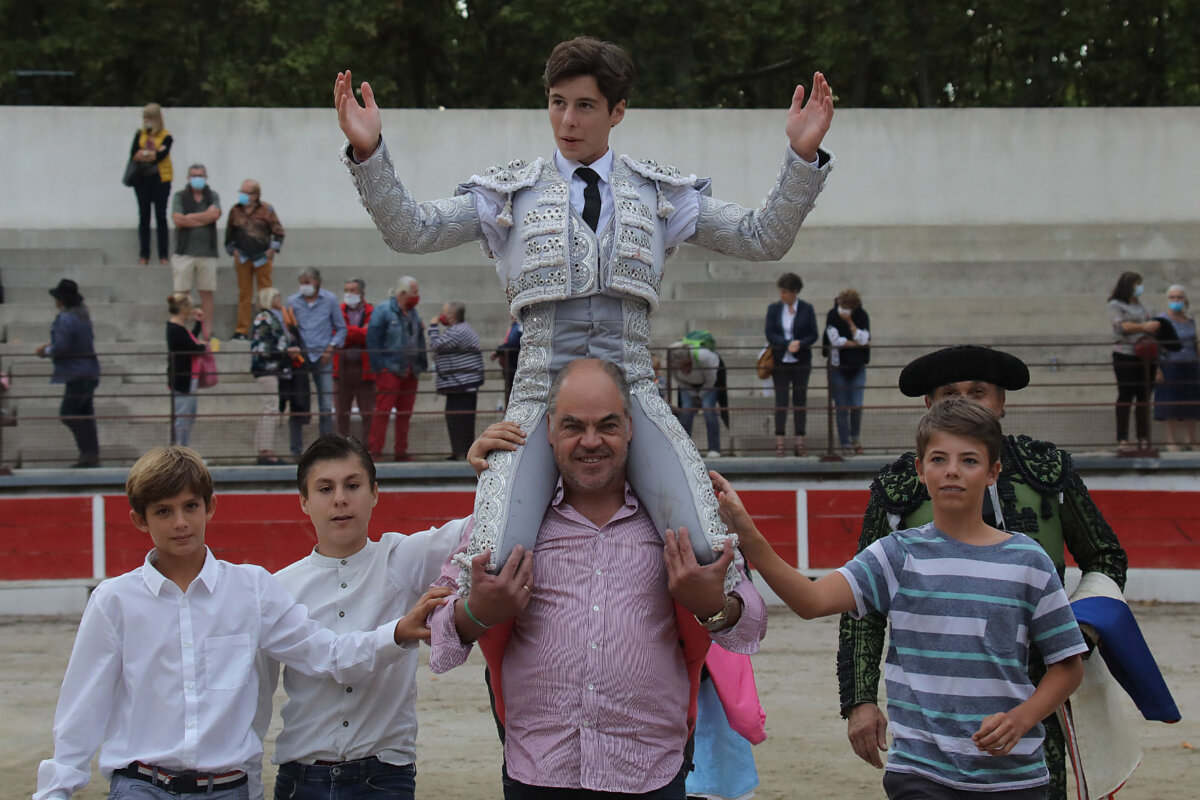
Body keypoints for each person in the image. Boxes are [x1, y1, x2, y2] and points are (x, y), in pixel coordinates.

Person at [336, 35, 834, 582]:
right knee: (493, 560)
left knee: (706, 549)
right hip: (538, 397)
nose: (568, 120)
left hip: (633, 392)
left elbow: (762, 237)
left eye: (585, 106)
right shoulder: (509, 192)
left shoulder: (658, 192)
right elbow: (410, 230)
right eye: (557, 103)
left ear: (617, 111)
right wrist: (369, 152)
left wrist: (802, 158)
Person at [428, 358, 768, 799]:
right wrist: (476, 612)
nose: (591, 441)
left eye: (607, 425)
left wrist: (714, 606)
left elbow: (751, 627)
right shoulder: (512, 521)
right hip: (539, 767)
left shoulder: (674, 518)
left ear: (630, 427)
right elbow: (440, 640)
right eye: (573, 426)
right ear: (550, 430)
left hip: (649, 768)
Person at [32, 445, 452, 800]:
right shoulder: (114, 601)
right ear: (140, 519)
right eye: (163, 511)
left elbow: (327, 654)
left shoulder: (253, 589)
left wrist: (396, 632)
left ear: (210, 507)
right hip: (142, 785)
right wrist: (55, 792)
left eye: (190, 506)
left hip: (227, 787)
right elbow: (81, 708)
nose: (180, 523)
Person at [716, 397, 1087, 798]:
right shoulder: (896, 554)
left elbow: (1068, 666)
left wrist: (1022, 718)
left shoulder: (1029, 561)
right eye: (939, 459)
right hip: (920, 772)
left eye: (969, 460)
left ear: (993, 472)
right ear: (920, 470)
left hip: (1012, 778)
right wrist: (748, 533)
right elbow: (811, 601)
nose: (952, 471)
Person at [836, 345, 1129, 800]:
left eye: (979, 392)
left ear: (1001, 401)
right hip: (935, 696)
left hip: (1037, 686)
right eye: (950, 393)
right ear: (929, 405)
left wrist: (1078, 633)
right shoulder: (900, 485)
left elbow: (1106, 557)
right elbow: (862, 605)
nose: (966, 402)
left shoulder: (1047, 470)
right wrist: (860, 699)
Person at [254, 435, 460, 800]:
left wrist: (485, 467)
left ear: (375, 493)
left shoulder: (403, 558)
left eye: (352, 486)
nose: (340, 499)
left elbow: (480, 529)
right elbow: (257, 698)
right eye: (325, 489)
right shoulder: (278, 588)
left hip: (384, 775)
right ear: (304, 501)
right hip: (302, 776)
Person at [37, 279, 101, 467]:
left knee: (69, 413)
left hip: (76, 372)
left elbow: (61, 347)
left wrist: (45, 351)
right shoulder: (83, 316)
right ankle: (90, 454)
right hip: (89, 370)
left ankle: (88, 454)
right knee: (85, 414)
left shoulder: (66, 318)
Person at [365, 276, 426, 461]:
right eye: (414, 292)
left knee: (405, 413)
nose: (417, 296)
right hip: (390, 369)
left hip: (410, 369)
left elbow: (418, 338)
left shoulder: (413, 313)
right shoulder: (383, 311)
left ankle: (401, 451)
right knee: (383, 411)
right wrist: (380, 367)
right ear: (403, 293)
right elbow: (372, 340)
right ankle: (375, 451)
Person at [287, 268, 347, 441]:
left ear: (317, 281)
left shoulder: (330, 299)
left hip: (323, 357)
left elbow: (341, 328)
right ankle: (296, 447)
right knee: (298, 401)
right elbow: (288, 328)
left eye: (308, 282)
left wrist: (331, 347)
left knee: (326, 403)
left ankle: (325, 444)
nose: (305, 285)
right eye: (302, 282)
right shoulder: (292, 301)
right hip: (301, 358)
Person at [765, 272, 818, 457]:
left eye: (785, 292)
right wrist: (786, 343)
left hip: (801, 361)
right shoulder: (774, 309)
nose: (782, 295)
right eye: (781, 291)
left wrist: (799, 343)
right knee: (781, 401)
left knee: (799, 401)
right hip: (780, 361)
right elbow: (770, 333)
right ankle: (780, 443)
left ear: (794, 291)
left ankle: (799, 442)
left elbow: (813, 334)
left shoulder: (806, 309)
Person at [226, 179, 285, 341]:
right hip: (243, 258)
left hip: (262, 258)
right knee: (244, 295)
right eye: (241, 192)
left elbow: (279, 232)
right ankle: (242, 330)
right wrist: (233, 251)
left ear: (255, 195)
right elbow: (229, 236)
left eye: (245, 192)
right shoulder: (235, 210)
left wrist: (272, 250)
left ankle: (266, 328)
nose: (242, 195)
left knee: (266, 294)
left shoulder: (267, 210)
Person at [1108, 271, 1159, 453]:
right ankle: (1122, 438)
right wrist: (1144, 326)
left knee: (1144, 398)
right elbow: (1121, 326)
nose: (1140, 288)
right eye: (1137, 284)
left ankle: (1143, 437)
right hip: (1126, 355)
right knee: (1126, 395)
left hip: (1146, 357)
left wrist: (1153, 326)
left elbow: (1154, 323)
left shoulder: (1145, 307)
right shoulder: (1116, 305)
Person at [170, 163, 221, 339]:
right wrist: (204, 217)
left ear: (206, 178)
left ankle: (207, 332)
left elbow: (215, 215)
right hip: (184, 252)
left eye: (200, 175)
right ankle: (179, 329)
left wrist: (190, 217)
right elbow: (178, 220)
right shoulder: (180, 196)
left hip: (207, 252)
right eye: (194, 175)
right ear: (188, 178)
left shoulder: (212, 196)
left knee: (207, 293)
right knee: (181, 293)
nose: (197, 178)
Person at [429, 301, 485, 460]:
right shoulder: (459, 329)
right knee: (457, 419)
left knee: (459, 419)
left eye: (443, 313)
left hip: (462, 383)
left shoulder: (458, 331)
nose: (440, 316)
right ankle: (460, 451)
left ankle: (462, 452)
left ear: (451, 316)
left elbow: (436, 345)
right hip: (459, 383)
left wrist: (433, 327)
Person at [250, 287, 298, 465]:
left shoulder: (271, 317)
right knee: (270, 408)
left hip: (271, 369)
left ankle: (264, 449)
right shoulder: (265, 318)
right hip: (267, 368)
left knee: (268, 407)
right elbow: (264, 346)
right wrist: (286, 351)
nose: (280, 299)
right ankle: (266, 451)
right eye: (276, 297)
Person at [822, 287, 871, 455]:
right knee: (841, 407)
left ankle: (854, 438)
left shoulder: (862, 315)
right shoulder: (832, 315)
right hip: (838, 367)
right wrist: (856, 343)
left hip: (858, 366)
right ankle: (844, 443)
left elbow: (865, 338)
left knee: (856, 405)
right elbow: (835, 340)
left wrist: (850, 322)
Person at [1154, 284, 1200, 450]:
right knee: (1170, 403)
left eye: (1179, 297)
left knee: (1192, 403)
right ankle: (1171, 440)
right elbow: (1156, 346)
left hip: (1191, 365)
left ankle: (1192, 439)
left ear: (1185, 299)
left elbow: (1195, 343)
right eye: (1172, 297)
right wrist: (1157, 369)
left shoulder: (1190, 321)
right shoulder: (1161, 320)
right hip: (1170, 366)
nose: (1176, 300)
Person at [129, 102, 173, 265]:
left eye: (150, 117)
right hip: (142, 180)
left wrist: (145, 153)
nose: (147, 120)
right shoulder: (140, 134)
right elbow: (134, 154)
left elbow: (161, 156)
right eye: (145, 117)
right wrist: (152, 153)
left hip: (161, 180)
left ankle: (163, 255)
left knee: (161, 216)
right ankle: (144, 254)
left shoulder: (166, 136)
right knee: (144, 216)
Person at [334, 278, 376, 442]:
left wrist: (348, 332)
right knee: (341, 413)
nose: (349, 294)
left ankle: (367, 448)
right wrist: (359, 332)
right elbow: (338, 335)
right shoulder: (338, 311)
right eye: (347, 290)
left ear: (362, 293)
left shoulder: (372, 311)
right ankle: (341, 448)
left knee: (368, 412)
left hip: (364, 369)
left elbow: (371, 335)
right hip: (341, 369)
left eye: (353, 290)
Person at [165, 292, 208, 448]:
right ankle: (178, 451)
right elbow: (193, 347)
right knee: (183, 418)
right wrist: (203, 346)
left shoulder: (178, 328)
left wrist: (198, 323)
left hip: (186, 377)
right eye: (189, 308)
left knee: (187, 416)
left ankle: (182, 450)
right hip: (183, 378)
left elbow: (190, 341)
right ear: (184, 309)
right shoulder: (176, 329)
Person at [668, 337, 722, 458]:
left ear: (689, 358)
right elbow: (678, 380)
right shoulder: (671, 361)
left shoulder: (703, 357)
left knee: (708, 410)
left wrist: (700, 395)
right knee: (686, 411)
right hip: (687, 386)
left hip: (708, 384)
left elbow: (711, 379)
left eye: (685, 364)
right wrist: (693, 394)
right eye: (679, 365)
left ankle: (714, 448)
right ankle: (683, 448)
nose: (682, 367)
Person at [491, 317, 523, 409]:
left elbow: (514, 343)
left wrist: (499, 350)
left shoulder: (520, 327)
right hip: (510, 367)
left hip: (514, 368)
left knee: (513, 396)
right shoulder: (515, 326)